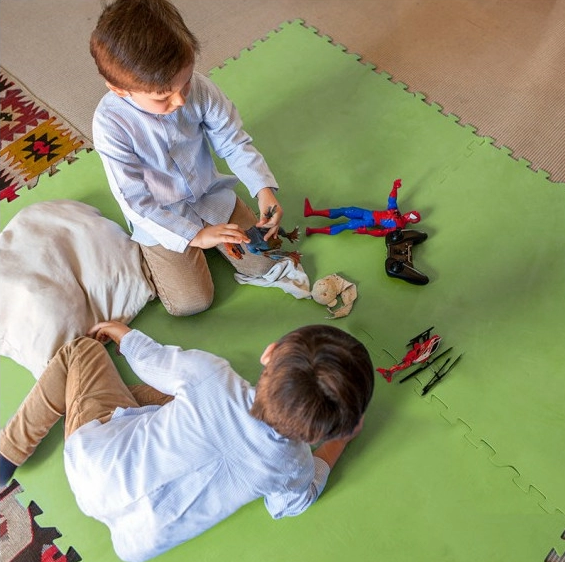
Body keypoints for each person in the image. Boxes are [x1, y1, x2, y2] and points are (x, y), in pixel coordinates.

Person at [0, 321, 374, 562]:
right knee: (178, 401)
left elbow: (154, 360)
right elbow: (294, 503)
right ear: (326, 431)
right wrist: (337, 446)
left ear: (269, 354)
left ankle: (8, 451)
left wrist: (122, 335)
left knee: (82, 352)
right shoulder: (294, 466)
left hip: (94, 467)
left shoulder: (212, 375)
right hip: (135, 542)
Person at [90, 0, 284, 316]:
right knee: (191, 303)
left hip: (209, 195)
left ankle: (210, 242)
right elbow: (136, 202)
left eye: (187, 81)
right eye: (163, 97)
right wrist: (195, 236)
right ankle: (150, 260)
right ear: (119, 89)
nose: (181, 99)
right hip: (161, 217)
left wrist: (263, 190)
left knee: (264, 262)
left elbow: (233, 141)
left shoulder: (200, 90)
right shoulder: (111, 125)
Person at [304, 178, 421, 236]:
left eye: (412, 216)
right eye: (411, 213)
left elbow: (382, 232)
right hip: (368, 213)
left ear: (412, 220)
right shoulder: (396, 212)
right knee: (344, 210)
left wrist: (367, 232)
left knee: (346, 225)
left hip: (369, 222)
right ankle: (311, 212)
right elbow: (392, 200)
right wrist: (395, 187)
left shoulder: (398, 226)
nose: (409, 214)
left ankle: (313, 231)